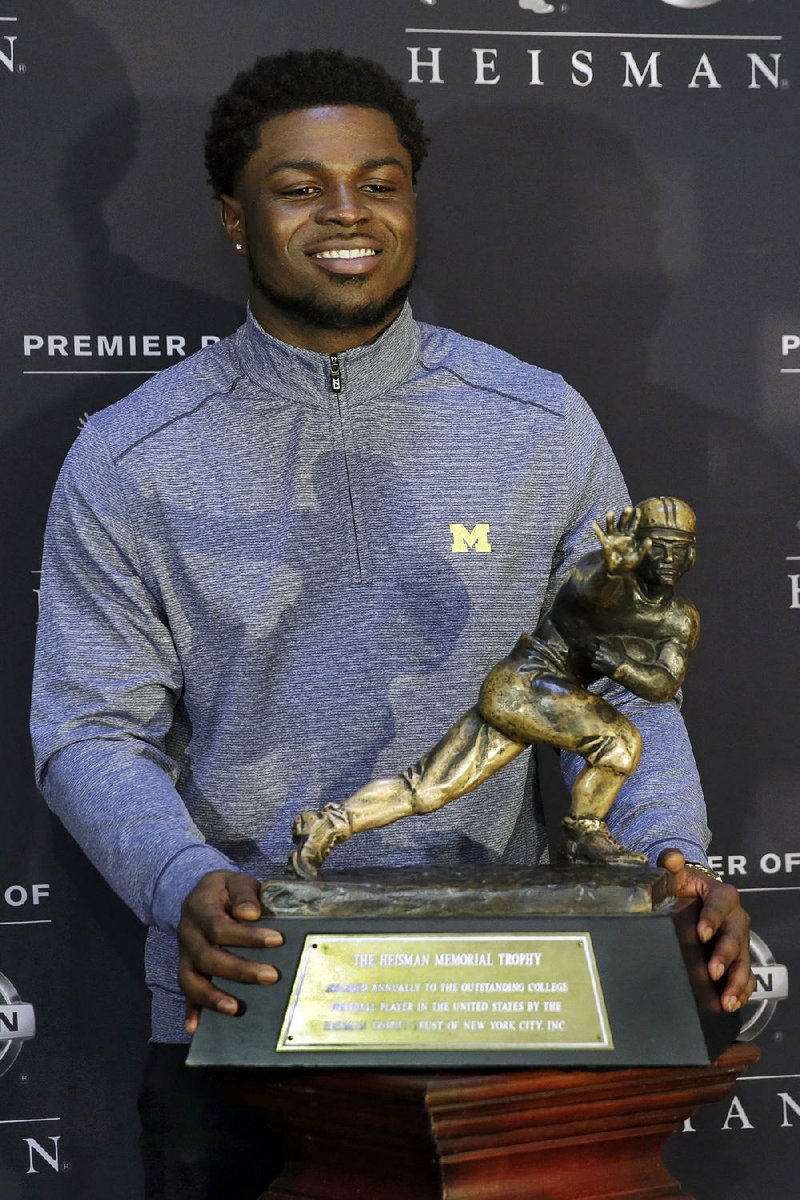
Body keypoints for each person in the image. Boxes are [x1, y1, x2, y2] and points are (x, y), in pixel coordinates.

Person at [31, 48, 754, 1199]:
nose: (345, 214)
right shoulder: (130, 456)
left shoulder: (538, 421)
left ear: (411, 202)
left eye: (377, 181)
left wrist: (670, 863)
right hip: (253, 1006)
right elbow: (88, 729)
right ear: (233, 215)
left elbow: (618, 681)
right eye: (298, 185)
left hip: (517, 1001)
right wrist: (184, 887)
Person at [289, 498, 700, 876]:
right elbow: (593, 594)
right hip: (523, 684)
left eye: (677, 550)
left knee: (428, 790)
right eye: (658, 547)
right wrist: (613, 569)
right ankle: (582, 835)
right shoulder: (603, 576)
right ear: (637, 547)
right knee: (620, 742)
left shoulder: (679, 618)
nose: (667, 559)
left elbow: (663, 685)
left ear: (692, 555)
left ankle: (327, 825)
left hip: (541, 699)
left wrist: (621, 665)